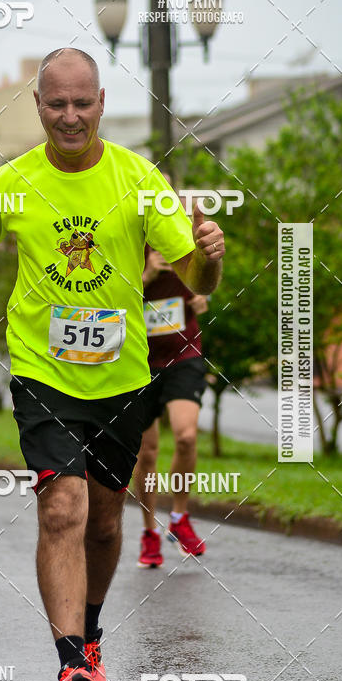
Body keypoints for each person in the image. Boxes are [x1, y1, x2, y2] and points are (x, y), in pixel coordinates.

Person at [0, 48, 225, 681]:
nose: (70, 114)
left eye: (81, 102)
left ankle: (88, 635)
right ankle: (70, 665)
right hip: (42, 371)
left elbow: (197, 281)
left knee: (106, 522)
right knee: (63, 507)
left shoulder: (138, 180)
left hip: (122, 380)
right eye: (56, 102)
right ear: (38, 106)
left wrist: (209, 256)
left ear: (101, 102)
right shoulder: (12, 182)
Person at [133, 216, 209, 568]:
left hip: (184, 352)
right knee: (146, 452)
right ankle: (149, 531)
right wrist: (147, 274)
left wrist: (202, 297)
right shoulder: (127, 239)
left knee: (186, 438)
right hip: (139, 359)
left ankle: (179, 518)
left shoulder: (184, 238)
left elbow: (205, 281)